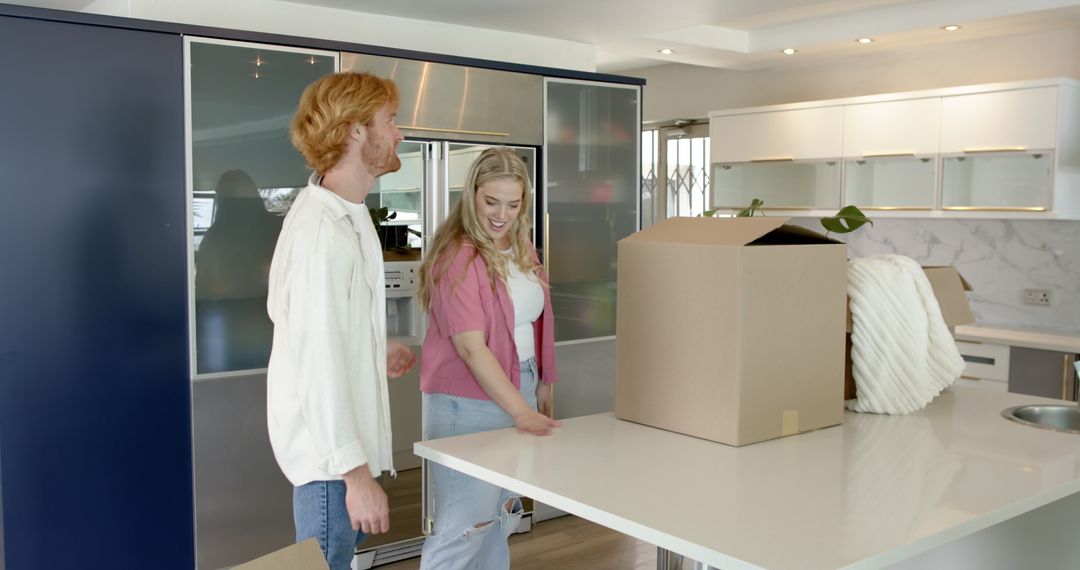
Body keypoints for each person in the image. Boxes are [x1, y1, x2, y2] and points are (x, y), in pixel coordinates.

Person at [266, 71, 417, 570]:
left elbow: (328, 338)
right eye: (389, 121)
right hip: (330, 470)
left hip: (334, 464)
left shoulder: (345, 216)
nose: (399, 132)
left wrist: (375, 352)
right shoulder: (322, 234)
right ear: (356, 131)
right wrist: (356, 478)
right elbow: (317, 364)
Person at [417, 146, 561, 569]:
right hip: (470, 404)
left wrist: (541, 387)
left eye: (513, 204)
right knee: (464, 528)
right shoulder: (457, 256)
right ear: (472, 195)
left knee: (498, 522)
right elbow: (470, 347)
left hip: (518, 390)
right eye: (491, 202)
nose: (501, 214)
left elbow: (537, 324)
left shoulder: (521, 250)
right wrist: (522, 411)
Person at [194, 169, 282, 372]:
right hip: (259, 336)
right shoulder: (278, 228)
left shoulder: (213, 239)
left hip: (236, 338)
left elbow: (203, 293)